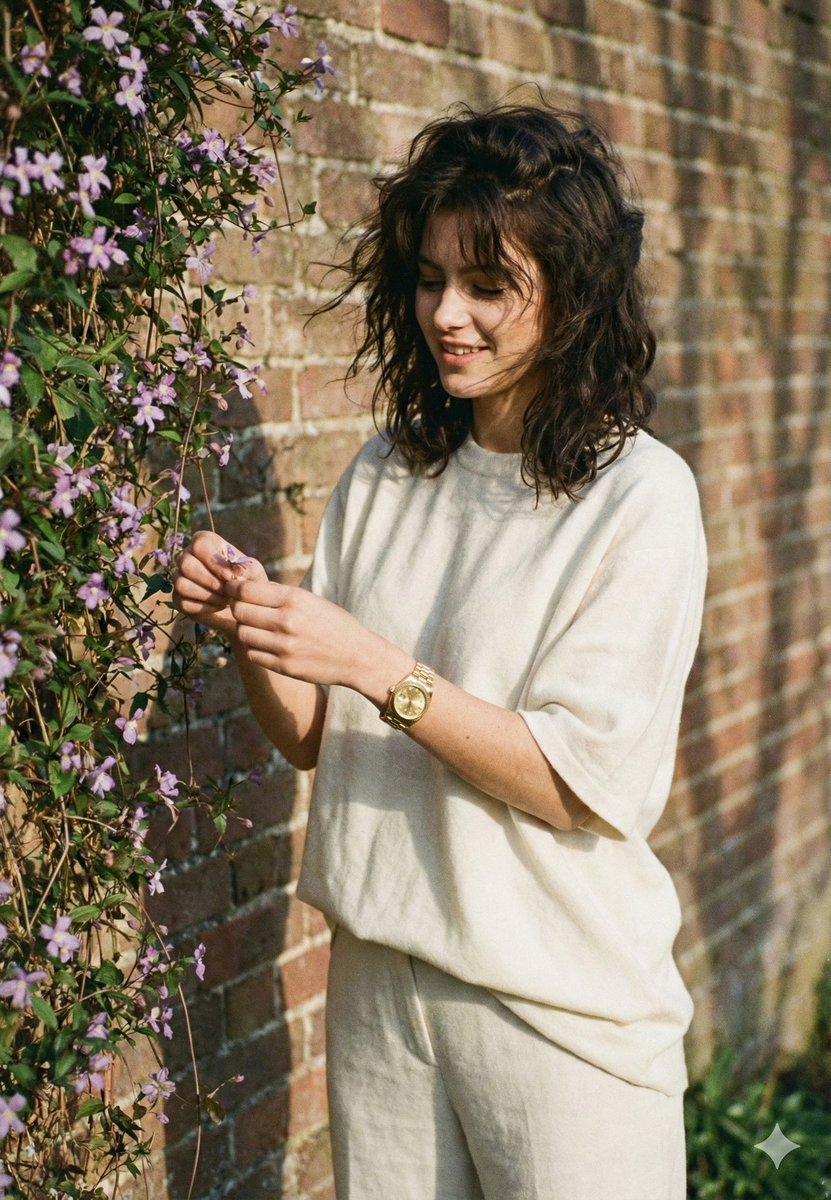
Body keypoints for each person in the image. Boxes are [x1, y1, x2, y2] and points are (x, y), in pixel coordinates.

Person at [173, 103, 707, 1200]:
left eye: (487, 286)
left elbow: (574, 786)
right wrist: (257, 630)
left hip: (558, 1005)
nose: (446, 316)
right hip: (383, 984)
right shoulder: (388, 471)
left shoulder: (642, 499)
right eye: (428, 279)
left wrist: (373, 662)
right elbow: (318, 735)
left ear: (573, 294)